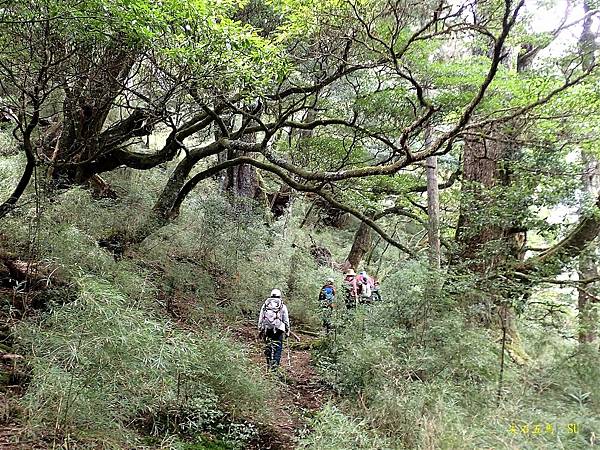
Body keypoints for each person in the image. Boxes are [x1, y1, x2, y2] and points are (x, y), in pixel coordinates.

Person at [257, 288, 290, 370]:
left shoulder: (265, 305)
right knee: (278, 348)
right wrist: (287, 330)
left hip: (267, 329)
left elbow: (261, 318)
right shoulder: (282, 306)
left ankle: (268, 364)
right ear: (280, 296)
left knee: (268, 346)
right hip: (279, 329)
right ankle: (275, 367)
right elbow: (286, 320)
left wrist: (260, 329)